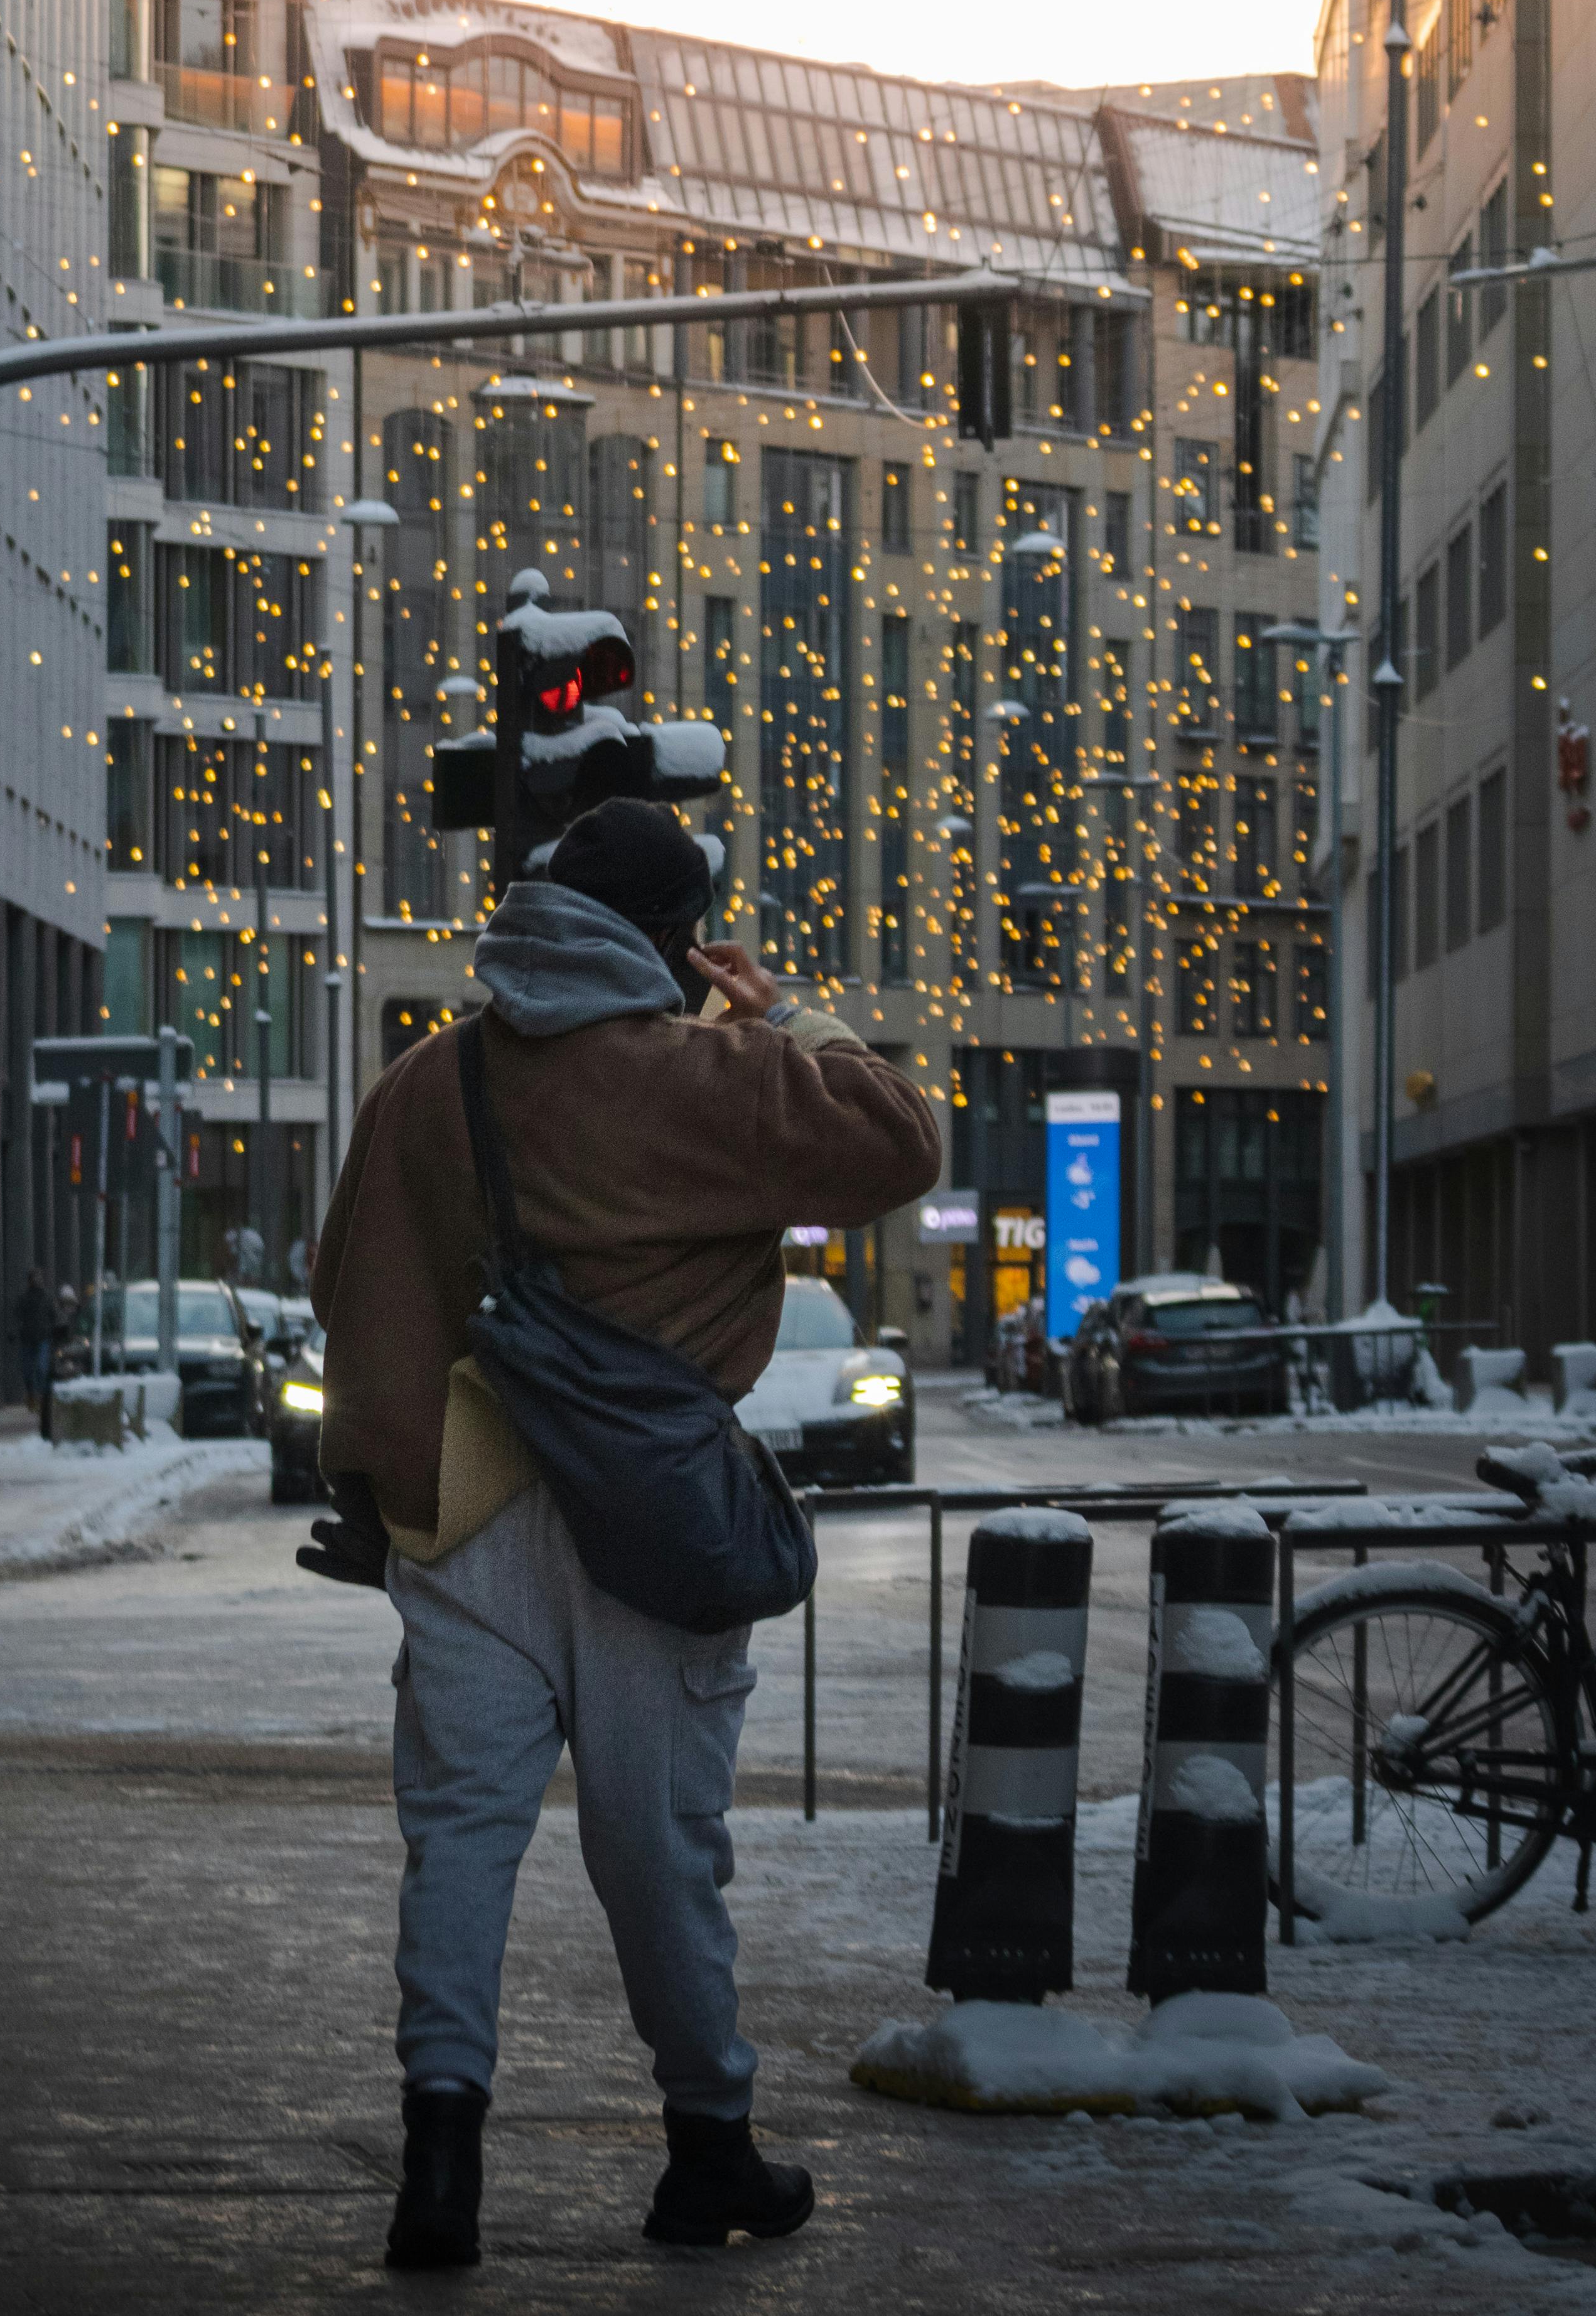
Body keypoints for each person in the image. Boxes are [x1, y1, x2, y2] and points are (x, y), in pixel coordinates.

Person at [312, 799, 940, 2271]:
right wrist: (792, 1015)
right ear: (671, 936)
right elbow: (900, 1139)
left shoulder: (428, 1077)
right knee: (655, 1843)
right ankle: (707, 2142)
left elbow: (352, 1280)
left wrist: (374, 1487)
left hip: (463, 1509)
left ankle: (440, 2157)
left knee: (459, 1836)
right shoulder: (706, 1073)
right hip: (646, 1519)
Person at [12, 1266, 53, 1411]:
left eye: (39, 1279)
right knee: (28, 1371)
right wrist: (15, 1332)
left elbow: (54, 1315)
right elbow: (17, 1317)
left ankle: (42, 1398)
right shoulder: (24, 1299)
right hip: (28, 1338)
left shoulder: (47, 1298)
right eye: (34, 1279)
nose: (37, 1282)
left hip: (42, 1338)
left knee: (42, 1368)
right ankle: (32, 1395)